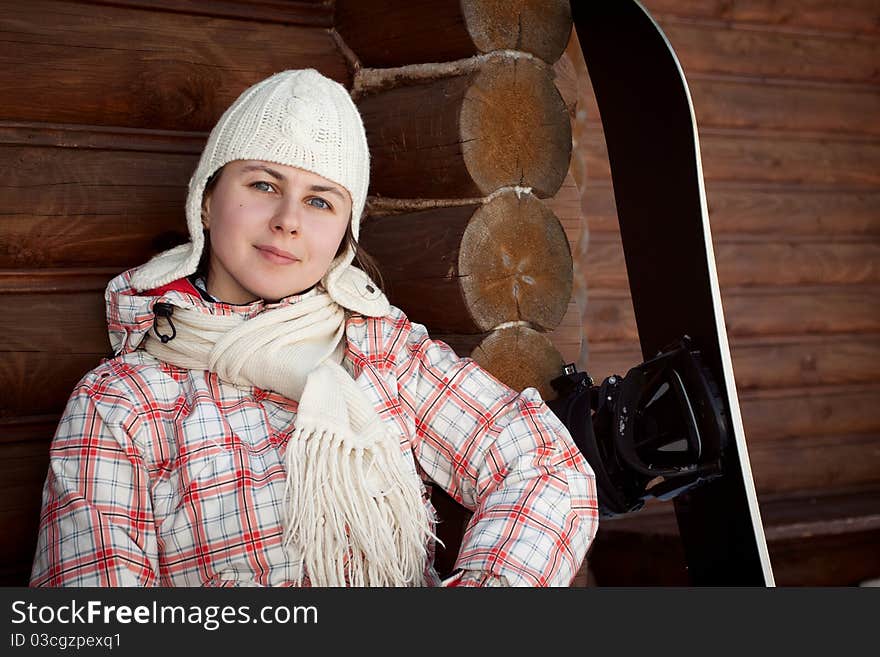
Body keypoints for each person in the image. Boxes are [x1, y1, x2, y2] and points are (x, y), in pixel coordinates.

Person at [29, 69, 598, 587]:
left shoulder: (381, 351)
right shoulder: (122, 404)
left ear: (344, 237)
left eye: (321, 201)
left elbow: (545, 465)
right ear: (206, 200)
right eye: (263, 185)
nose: (288, 222)